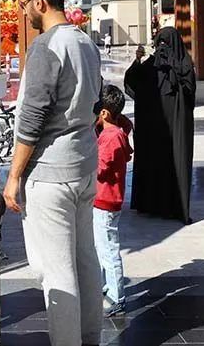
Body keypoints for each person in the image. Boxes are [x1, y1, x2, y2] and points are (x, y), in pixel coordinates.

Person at [2, 0, 103, 346]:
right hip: (83, 164)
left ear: (39, 2)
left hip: (51, 171)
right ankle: (91, 337)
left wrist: (13, 176)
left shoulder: (45, 46)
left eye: (22, 4)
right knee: (85, 258)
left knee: (57, 270)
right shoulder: (85, 43)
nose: (22, 12)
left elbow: (32, 118)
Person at [123, 27, 196, 224]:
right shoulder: (184, 64)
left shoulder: (150, 65)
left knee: (153, 162)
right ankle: (175, 206)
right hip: (176, 129)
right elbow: (190, 94)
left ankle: (150, 204)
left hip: (152, 130)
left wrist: (137, 61)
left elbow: (131, 83)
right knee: (174, 163)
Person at [92, 85, 134, 317]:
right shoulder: (119, 131)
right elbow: (126, 124)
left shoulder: (110, 138)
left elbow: (100, 168)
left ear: (104, 113)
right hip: (106, 200)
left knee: (108, 249)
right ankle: (108, 288)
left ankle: (117, 297)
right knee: (103, 247)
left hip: (105, 200)